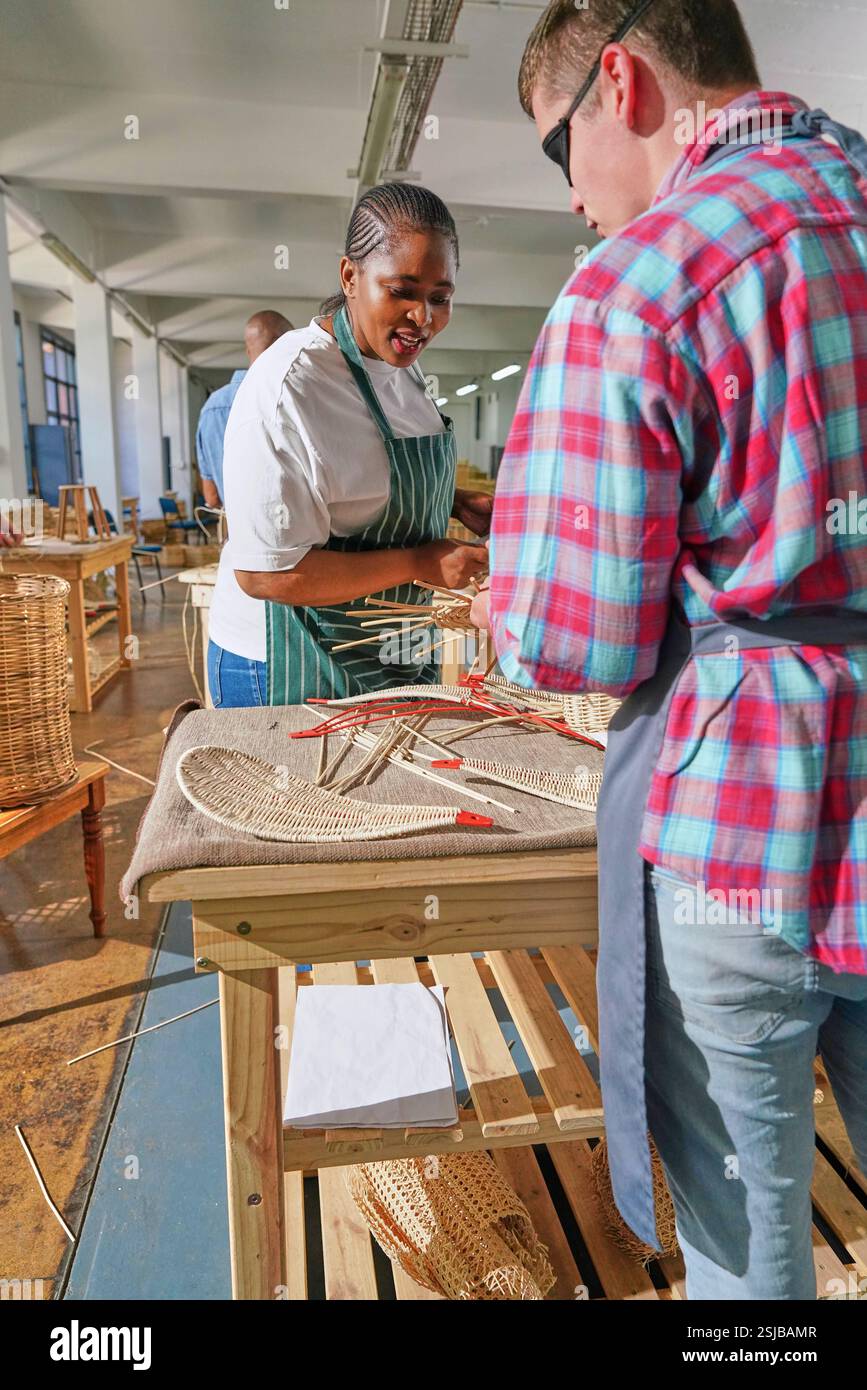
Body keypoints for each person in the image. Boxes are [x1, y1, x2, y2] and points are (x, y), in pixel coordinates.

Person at [473, 0, 867, 1300]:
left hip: (738, 841)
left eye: (552, 151)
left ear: (620, 83)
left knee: (749, 1262)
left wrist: (503, 603)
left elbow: (565, 633)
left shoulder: (640, 285)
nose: (574, 198)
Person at [208, 182, 491, 708]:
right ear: (350, 277)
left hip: (389, 647)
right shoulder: (290, 386)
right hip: (290, 659)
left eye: (439, 298)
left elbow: (357, 471)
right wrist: (417, 563)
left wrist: (447, 499)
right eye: (402, 291)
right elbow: (265, 574)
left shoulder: (398, 365)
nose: (422, 318)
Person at [195, 310, 293, 507]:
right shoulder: (291, 398)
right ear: (283, 345)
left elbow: (212, 499)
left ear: (248, 351)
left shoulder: (211, 409)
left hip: (237, 534)